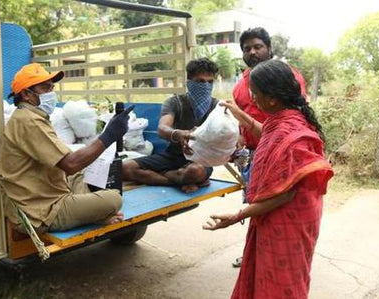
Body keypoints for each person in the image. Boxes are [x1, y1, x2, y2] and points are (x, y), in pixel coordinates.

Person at [203, 59, 333, 299]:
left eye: (255, 93)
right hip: (278, 214)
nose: (252, 98)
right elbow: (270, 135)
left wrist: (238, 215)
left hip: (288, 221)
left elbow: (287, 193)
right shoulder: (286, 118)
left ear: (272, 98)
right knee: (267, 278)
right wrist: (239, 114)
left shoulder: (292, 131)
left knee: (282, 284)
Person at [0, 63, 134, 232]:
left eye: (52, 87)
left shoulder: (28, 117)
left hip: (42, 194)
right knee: (115, 198)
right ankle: (96, 214)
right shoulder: (29, 121)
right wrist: (109, 136)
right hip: (40, 212)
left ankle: (92, 213)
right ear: (26, 94)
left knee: (78, 174)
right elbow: (70, 164)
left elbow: (67, 165)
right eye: (46, 88)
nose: (52, 93)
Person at [231, 27, 307, 268]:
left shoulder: (288, 76)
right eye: (247, 48)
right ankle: (255, 251)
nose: (252, 52)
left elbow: (296, 115)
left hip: (281, 152)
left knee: (277, 206)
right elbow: (243, 119)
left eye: (257, 46)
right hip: (254, 155)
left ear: (269, 48)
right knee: (254, 202)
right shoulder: (240, 85)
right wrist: (240, 137)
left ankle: (277, 254)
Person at [122, 58, 219, 193]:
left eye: (210, 82)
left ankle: (174, 176)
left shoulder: (217, 106)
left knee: (195, 171)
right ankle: (176, 181)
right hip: (172, 155)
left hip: (200, 158)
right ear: (189, 83)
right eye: (200, 82)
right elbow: (163, 128)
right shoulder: (175, 102)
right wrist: (178, 134)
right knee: (125, 168)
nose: (206, 86)